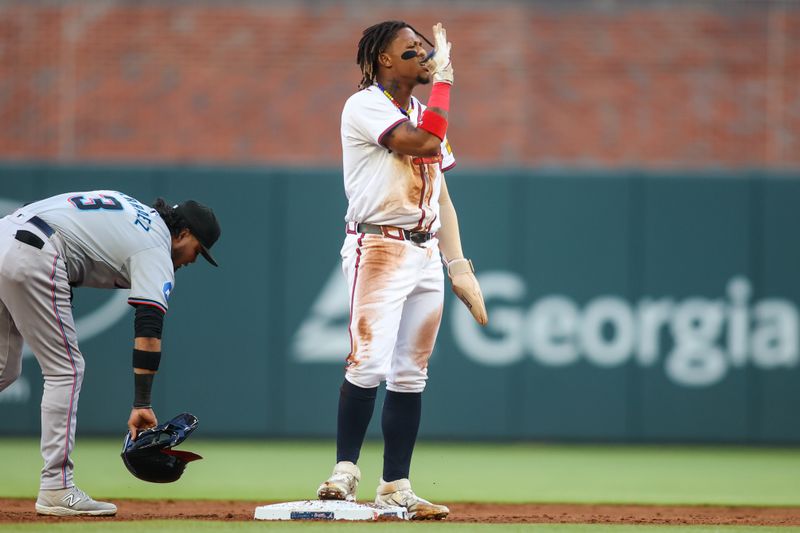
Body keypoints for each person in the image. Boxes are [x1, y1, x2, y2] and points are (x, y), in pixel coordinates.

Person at [315, 21, 488, 520]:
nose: (424, 54)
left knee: (411, 373)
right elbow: (421, 143)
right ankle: (345, 472)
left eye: (426, 48)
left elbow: (442, 194)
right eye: (410, 48)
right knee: (367, 363)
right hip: (380, 244)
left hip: (424, 251)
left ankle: (396, 486)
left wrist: (458, 266)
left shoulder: (422, 109)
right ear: (385, 60)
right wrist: (446, 85)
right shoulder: (366, 103)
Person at [0, 190, 221, 516]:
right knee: (67, 369)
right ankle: (56, 486)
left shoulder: (133, 211)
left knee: (4, 369)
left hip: (7, 237)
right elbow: (148, 327)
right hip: (36, 254)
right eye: (197, 250)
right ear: (184, 233)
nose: (192, 259)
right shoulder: (156, 247)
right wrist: (142, 404)